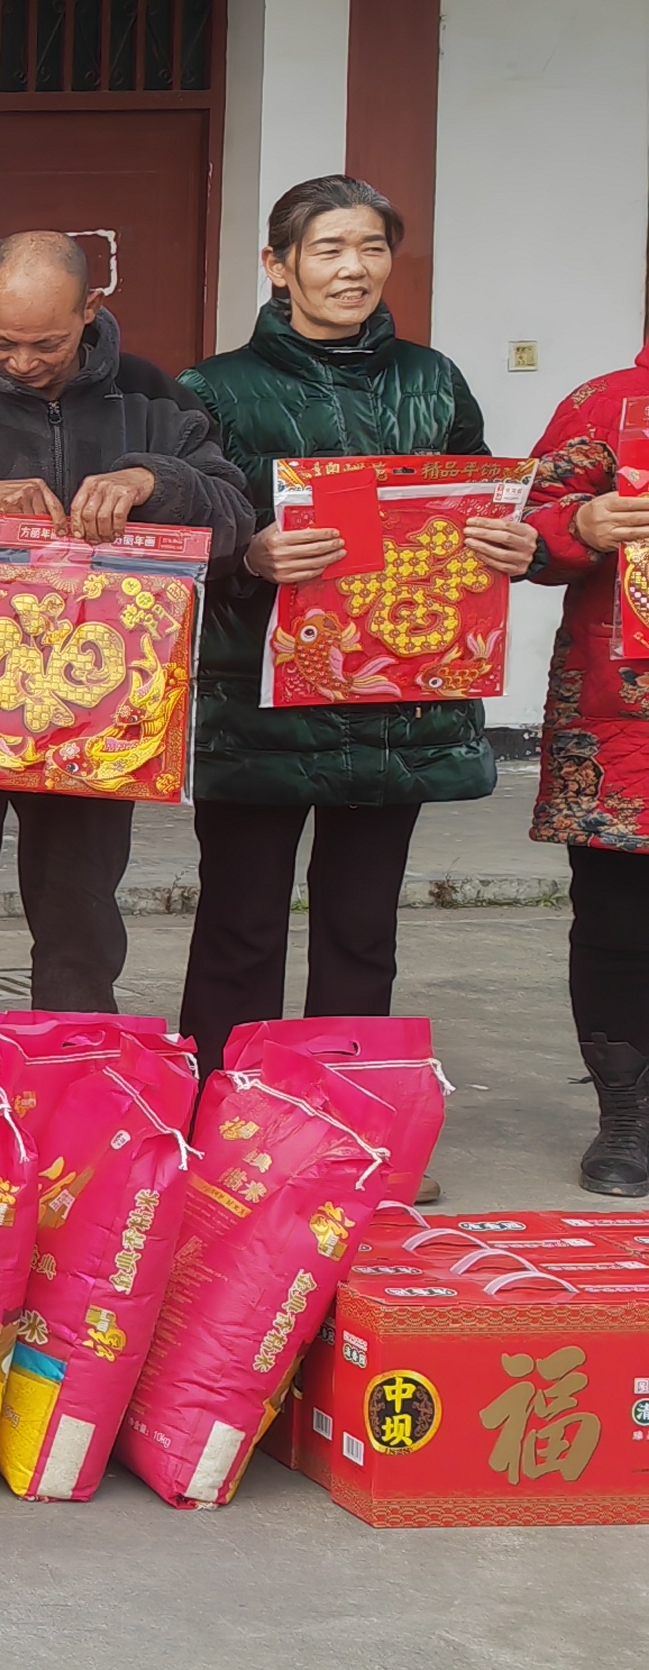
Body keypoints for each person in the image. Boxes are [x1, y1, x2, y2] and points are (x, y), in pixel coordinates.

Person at [175, 177, 536, 1074]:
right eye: (330, 249)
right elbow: (181, 536)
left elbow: (472, 498)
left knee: (363, 927)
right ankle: (223, 1107)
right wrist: (249, 555)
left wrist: (507, 539)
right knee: (240, 924)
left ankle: (341, 1113)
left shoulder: (432, 379)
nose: (354, 268)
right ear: (278, 265)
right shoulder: (214, 389)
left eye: (372, 248)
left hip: (398, 702)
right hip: (258, 703)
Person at [0, 229, 254, 1012]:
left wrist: (154, 482)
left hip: (100, 714)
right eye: (3, 343)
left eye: (47, 344)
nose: (23, 363)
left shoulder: (153, 400)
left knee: (81, 933)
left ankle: (73, 1071)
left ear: (90, 309)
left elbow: (235, 521)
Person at [517, 344, 649, 1194]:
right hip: (622, 717)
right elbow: (514, 528)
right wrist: (581, 526)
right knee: (618, 924)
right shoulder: (611, 404)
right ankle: (628, 1118)